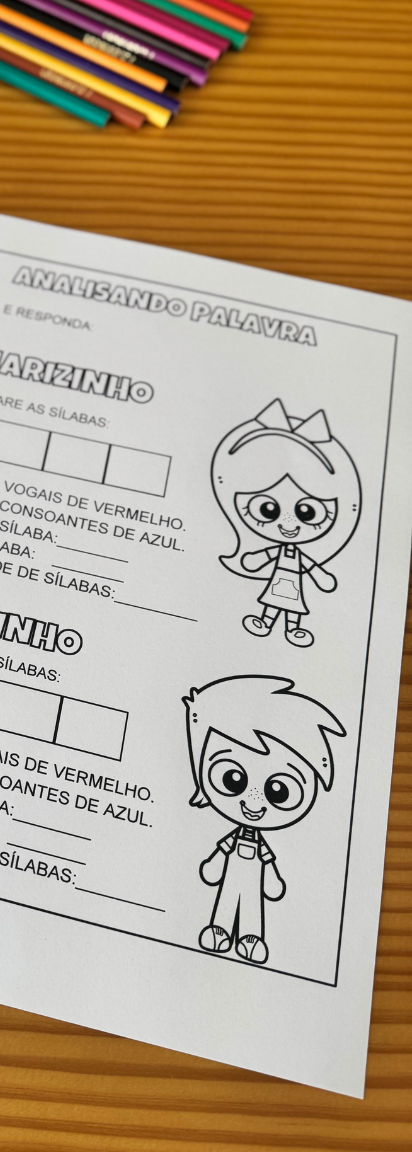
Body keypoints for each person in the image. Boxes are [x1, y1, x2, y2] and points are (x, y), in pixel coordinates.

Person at [184, 674, 344, 965]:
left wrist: (272, 879)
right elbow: (217, 861)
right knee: (226, 899)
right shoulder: (232, 839)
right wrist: (213, 866)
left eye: (279, 791)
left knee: (252, 906)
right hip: (232, 874)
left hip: (253, 876)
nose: (253, 802)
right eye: (232, 779)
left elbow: (269, 869)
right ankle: (219, 929)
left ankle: (250, 937)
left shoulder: (261, 845)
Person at [211, 399, 361, 647]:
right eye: (267, 510)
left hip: (292, 585)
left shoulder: (298, 554)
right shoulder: (278, 550)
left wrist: (321, 576)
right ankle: (265, 623)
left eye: (308, 513)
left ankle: (293, 630)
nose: (288, 524)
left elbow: (310, 566)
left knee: (293, 608)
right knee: (272, 604)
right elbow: (265, 556)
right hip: (279, 583)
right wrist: (254, 559)